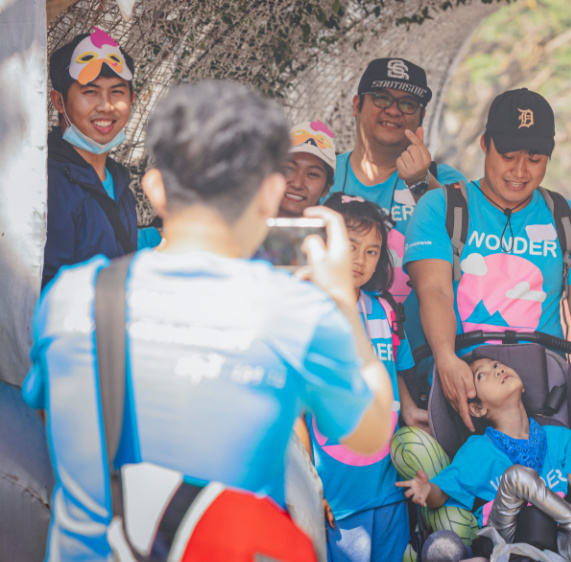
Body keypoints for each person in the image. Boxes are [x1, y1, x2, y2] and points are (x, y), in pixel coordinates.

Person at [22, 81, 394, 561]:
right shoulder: (295, 313)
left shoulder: (72, 298)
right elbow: (369, 434)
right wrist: (342, 298)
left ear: (154, 187)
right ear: (270, 194)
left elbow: (46, 411)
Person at [404, 88, 571, 432]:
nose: (520, 171)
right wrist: (446, 359)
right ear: (484, 144)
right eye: (508, 154)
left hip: (547, 394)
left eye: (535, 159)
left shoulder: (568, 218)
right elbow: (434, 290)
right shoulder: (441, 207)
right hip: (463, 387)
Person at [397, 354, 571, 556]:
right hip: (504, 538)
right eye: (482, 375)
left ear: (522, 387)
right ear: (477, 408)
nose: (497, 369)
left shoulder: (561, 438)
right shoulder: (477, 451)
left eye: (497, 364)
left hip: (557, 537)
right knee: (518, 477)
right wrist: (425, 489)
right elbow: (440, 494)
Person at [296, 193, 415, 562]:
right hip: (335, 494)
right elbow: (296, 410)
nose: (361, 261)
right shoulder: (305, 310)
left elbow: (397, 371)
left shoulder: (384, 310)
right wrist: (309, 485)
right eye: (351, 247)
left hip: (388, 485)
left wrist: (412, 414)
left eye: (372, 251)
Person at [325, 58, 468, 355]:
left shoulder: (445, 181)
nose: (393, 110)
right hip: (334, 353)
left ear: (421, 117)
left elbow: (470, 248)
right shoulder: (320, 176)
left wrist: (421, 184)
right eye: (381, 98)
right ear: (356, 105)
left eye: (407, 104)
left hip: (428, 357)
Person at [44, 26, 138, 287]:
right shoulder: (47, 184)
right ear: (59, 101)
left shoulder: (120, 182)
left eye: (117, 92)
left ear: (132, 99)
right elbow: (46, 289)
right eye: (90, 91)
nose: (106, 106)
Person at [280, 120, 339, 217]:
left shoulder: (334, 230)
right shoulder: (246, 222)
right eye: (289, 168)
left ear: (326, 189)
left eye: (312, 174)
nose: (297, 184)